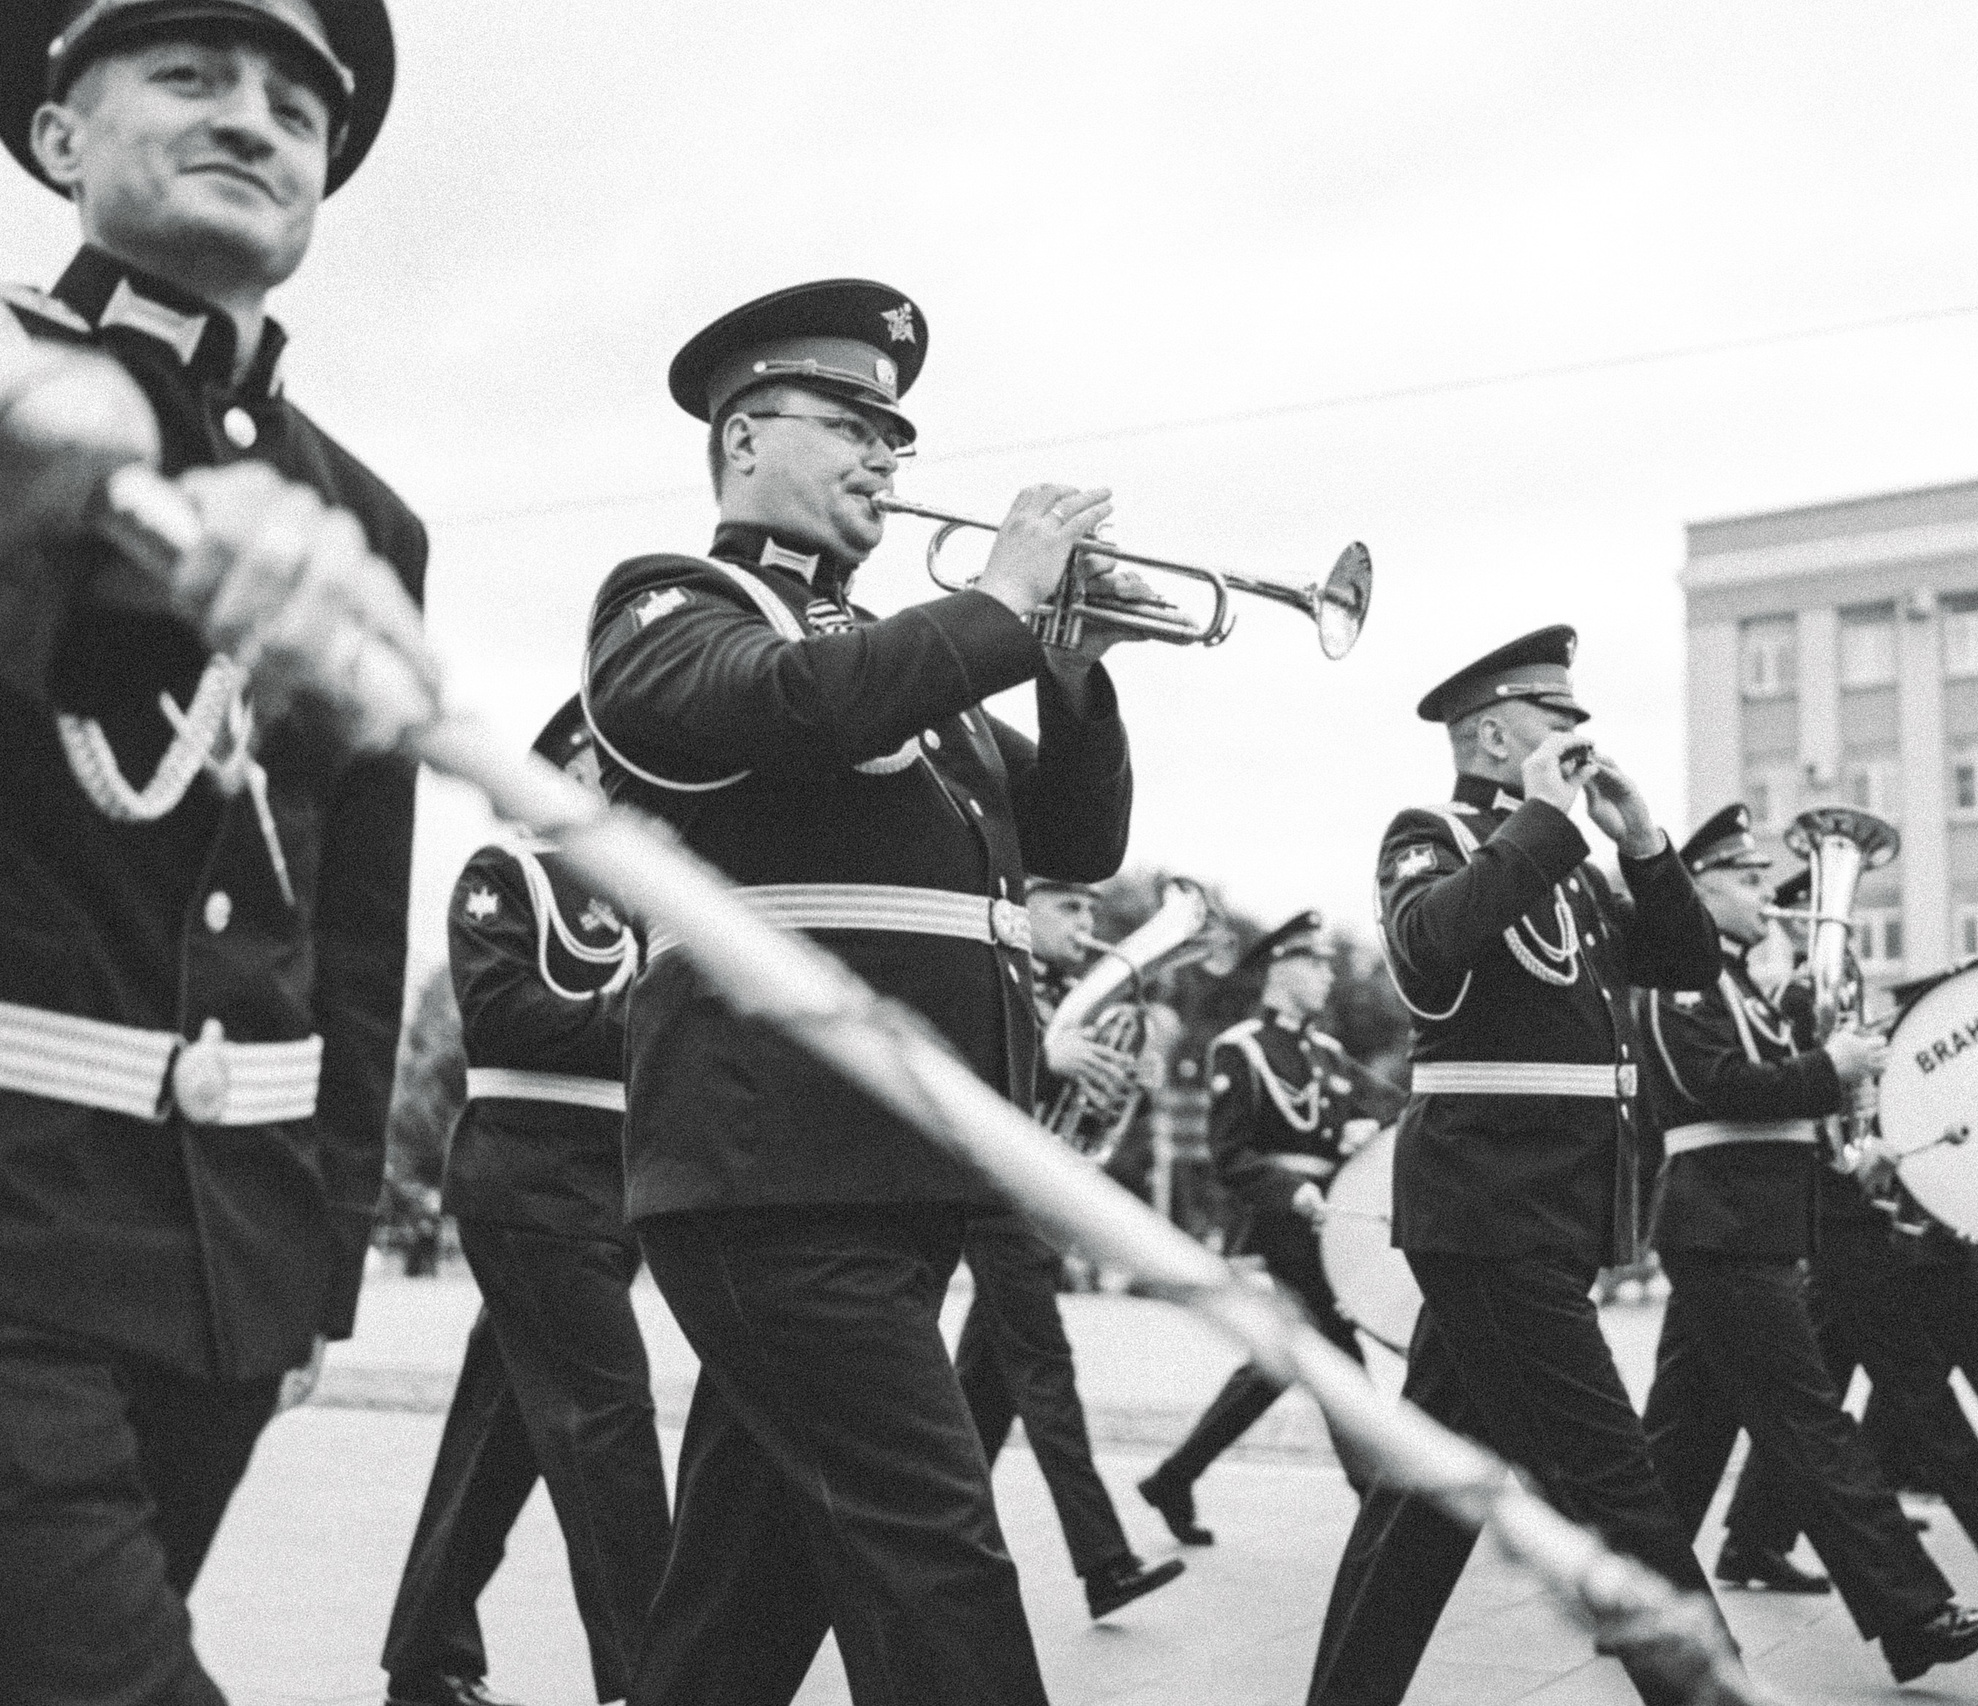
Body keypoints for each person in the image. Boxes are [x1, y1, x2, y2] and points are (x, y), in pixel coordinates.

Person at [582, 278, 1143, 1706]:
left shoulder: (908, 667)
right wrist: (996, 602)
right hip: (777, 1178)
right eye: (849, 425)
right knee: (938, 1561)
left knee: (738, 1607)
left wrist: (1071, 672)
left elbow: (1076, 842)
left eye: (893, 435)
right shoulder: (672, 605)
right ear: (743, 437)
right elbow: (794, 704)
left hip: (890, 1176)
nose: (885, 458)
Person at [0, 4, 430, 1701]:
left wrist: (324, 1251)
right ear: (58, 139)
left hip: (224, 1262)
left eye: (294, 108)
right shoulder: (22, 402)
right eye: (188, 75)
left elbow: (356, 923)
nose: (251, 119)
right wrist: (99, 522)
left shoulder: (362, 521)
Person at [1304, 625, 1738, 1706]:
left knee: (1426, 1496)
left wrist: (1643, 843)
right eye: (1557, 724)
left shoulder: (1573, 870)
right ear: (1496, 736)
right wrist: (1544, 822)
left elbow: (1688, 961)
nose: (1580, 741)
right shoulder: (1434, 837)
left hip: (1547, 1207)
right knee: (1616, 1482)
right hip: (1488, 1208)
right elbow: (1431, 946)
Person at [1639, 804, 1978, 1686]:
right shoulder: (1677, 982)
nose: (1766, 897)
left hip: (1744, 1225)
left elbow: (1784, 1092)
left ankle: (1632, 1594)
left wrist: (1848, 1117)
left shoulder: (1741, 986)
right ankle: (1915, 1617)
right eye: (1746, 881)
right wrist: (1830, 1068)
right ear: (1698, 889)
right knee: (1813, 1427)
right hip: (1724, 1228)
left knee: (1681, 1439)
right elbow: (1714, 1086)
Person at [377, 704, 669, 1706]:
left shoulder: (647, 892)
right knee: (610, 1421)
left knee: (497, 1429)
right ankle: (653, 1679)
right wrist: (651, 1016)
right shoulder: (507, 873)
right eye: (611, 758)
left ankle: (427, 1656)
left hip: (609, 1185)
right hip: (530, 1180)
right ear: (570, 765)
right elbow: (503, 1014)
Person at [1718, 960, 1978, 1607]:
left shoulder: (1826, 991)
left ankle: (1753, 1537)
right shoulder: (1787, 997)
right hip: (1833, 1222)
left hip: (1850, 1221)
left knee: (1827, 1398)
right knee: (1909, 1393)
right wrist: (1845, 1160)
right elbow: (1779, 1096)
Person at [951, 877, 1185, 1620]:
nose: (1086, 923)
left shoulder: (1077, 998)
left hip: (1040, 1207)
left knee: (982, 1395)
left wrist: (1132, 1078)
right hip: (999, 1200)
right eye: (1070, 907)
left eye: (1091, 909)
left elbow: (1092, 1120)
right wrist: (1043, 1058)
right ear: (1026, 905)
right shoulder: (995, 979)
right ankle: (1105, 1562)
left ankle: (926, 1539)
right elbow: (958, 1080)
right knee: (1046, 1376)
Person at [1136, 910, 1401, 1543]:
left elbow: (1380, 1113)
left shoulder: (1326, 1054)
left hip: (1325, 1225)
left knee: (1281, 1362)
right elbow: (1228, 1156)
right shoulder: (1242, 1049)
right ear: (1280, 971)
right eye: (1316, 964)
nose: (1328, 975)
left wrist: (1358, 1132)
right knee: (1337, 1355)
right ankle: (1377, 1500)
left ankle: (1174, 1477)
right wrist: (1292, 1189)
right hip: (1278, 1225)